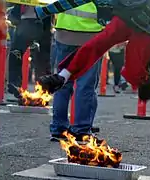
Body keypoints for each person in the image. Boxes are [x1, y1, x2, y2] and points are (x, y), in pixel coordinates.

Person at [34, 0, 150, 101]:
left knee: (134, 71)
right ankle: (62, 77)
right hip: (125, 16)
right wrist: (44, 11)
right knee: (98, 43)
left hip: (147, 26)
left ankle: (143, 78)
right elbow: (74, 1)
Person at [49, 2, 103, 141]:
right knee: (86, 85)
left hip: (65, 31)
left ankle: (58, 129)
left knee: (62, 82)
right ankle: (81, 130)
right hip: (92, 34)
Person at [7, 4, 52, 98]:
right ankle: (43, 91)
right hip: (43, 21)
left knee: (16, 55)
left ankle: (15, 85)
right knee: (42, 59)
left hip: (28, 22)